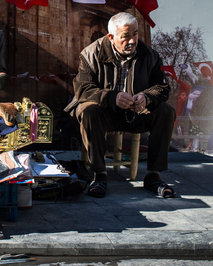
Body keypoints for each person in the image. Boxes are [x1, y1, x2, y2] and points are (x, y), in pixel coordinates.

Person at [64, 12, 175, 198]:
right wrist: (111, 98)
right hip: (104, 114)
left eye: (135, 34)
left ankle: (153, 175)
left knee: (166, 112)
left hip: (135, 113)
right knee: (89, 110)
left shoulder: (149, 55)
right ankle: (98, 174)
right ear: (111, 37)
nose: (132, 41)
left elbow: (162, 87)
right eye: (125, 36)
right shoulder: (91, 54)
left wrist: (146, 97)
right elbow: (82, 89)